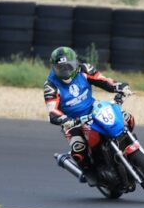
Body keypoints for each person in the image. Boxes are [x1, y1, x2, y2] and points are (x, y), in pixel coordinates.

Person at [44, 47, 132, 183]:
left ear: (75, 63)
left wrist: (119, 87)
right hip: (72, 121)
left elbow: (103, 81)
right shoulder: (51, 84)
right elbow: (52, 110)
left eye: (69, 66)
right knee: (78, 148)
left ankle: (127, 146)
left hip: (94, 109)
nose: (66, 71)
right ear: (54, 68)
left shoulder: (84, 69)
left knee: (127, 118)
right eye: (61, 68)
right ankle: (91, 172)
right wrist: (64, 119)